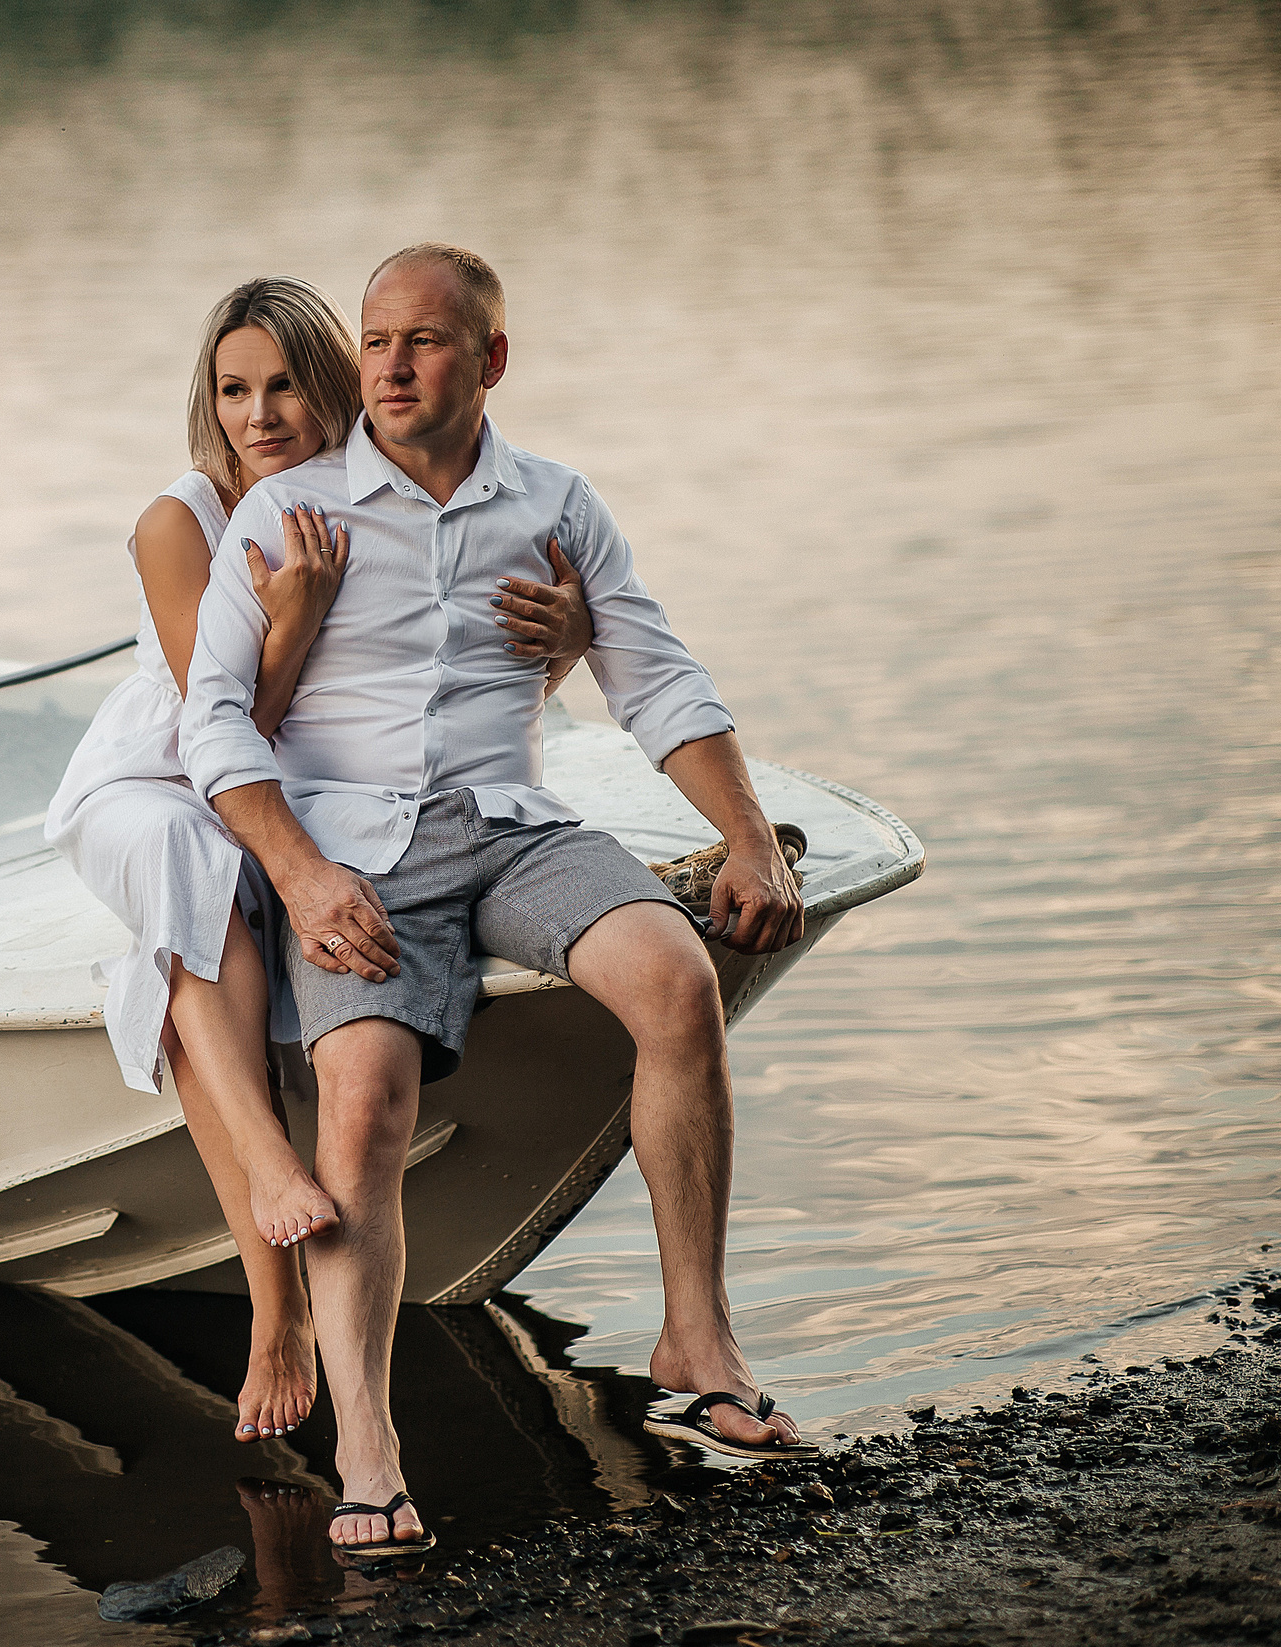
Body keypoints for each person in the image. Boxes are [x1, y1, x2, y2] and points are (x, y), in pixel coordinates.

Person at [180, 240, 810, 1559]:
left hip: (513, 832)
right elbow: (216, 724)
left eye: (423, 341)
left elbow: (657, 680)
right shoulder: (285, 510)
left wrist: (749, 836)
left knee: (679, 979)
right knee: (360, 1100)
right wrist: (296, 871)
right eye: (375, 342)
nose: (392, 365)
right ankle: (368, 1446)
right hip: (349, 848)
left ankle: (697, 1328)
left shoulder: (558, 503)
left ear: (491, 360)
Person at [46, 277, 590, 1445]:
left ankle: (292, 1293)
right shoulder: (180, 519)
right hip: (162, 774)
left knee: (231, 907)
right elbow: (219, 720)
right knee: (196, 878)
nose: (260, 412)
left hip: (285, 783)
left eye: (285, 383)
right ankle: (270, 1247)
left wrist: (571, 637)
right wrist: (293, 617)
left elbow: (452, 696)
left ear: (333, 384)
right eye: (233, 390)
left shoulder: (374, 498)